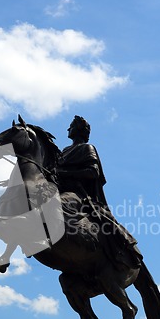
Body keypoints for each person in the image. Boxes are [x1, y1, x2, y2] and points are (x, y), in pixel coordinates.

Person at [56, 116, 142, 270]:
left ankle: (125, 246)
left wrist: (65, 173)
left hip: (79, 195)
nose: (68, 129)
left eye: (71, 126)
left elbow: (93, 172)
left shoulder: (87, 148)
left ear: (79, 130)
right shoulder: (64, 151)